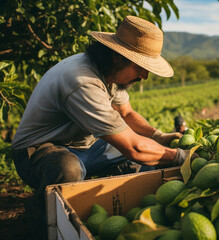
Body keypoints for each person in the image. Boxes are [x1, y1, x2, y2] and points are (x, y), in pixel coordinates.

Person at [11, 16, 196, 239]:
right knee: (70, 168)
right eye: (140, 67)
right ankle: (42, 214)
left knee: (145, 155)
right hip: (38, 151)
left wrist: (158, 136)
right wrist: (180, 156)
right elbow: (134, 148)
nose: (144, 75)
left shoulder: (110, 74)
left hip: (86, 146)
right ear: (118, 56)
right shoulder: (82, 80)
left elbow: (126, 113)